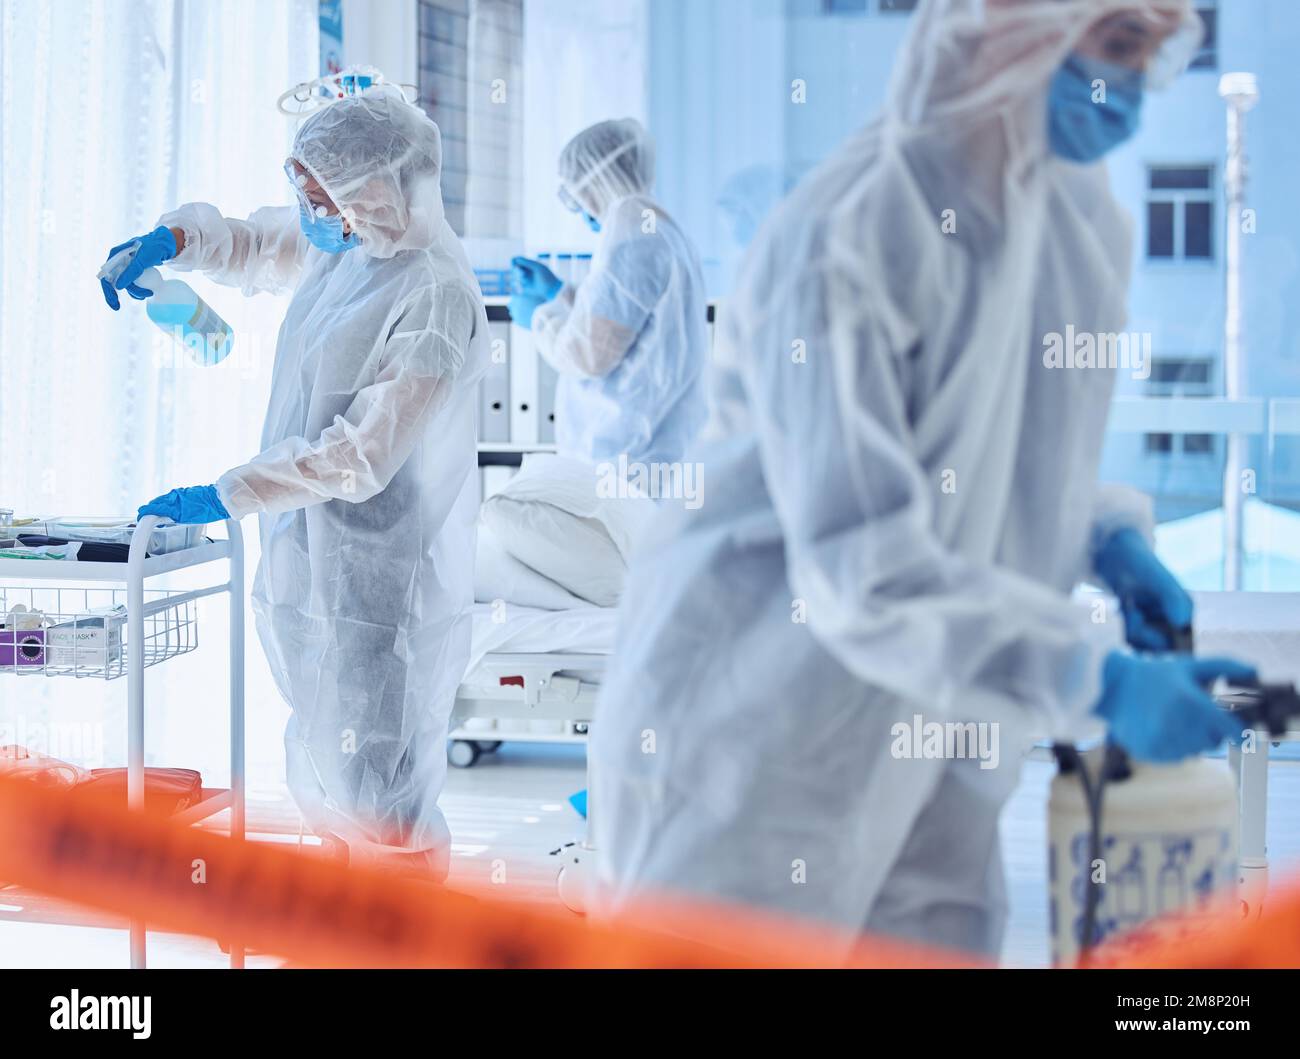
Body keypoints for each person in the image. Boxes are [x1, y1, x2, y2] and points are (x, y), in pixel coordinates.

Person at [590, 0, 1252, 956]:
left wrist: (1104, 536)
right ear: (1009, 25)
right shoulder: (846, 235)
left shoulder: (1077, 219)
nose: (1138, 85)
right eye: (1115, 43)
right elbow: (863, 562)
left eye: (1155, 51)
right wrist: (1090, 677)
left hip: (940, 737)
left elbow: (1010, 452)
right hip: (750, 737)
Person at [104, 87, 489, 879]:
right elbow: (250, 246)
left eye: (324, 197)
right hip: (316, 544)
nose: (310, 212)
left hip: (381, 562)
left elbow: (361, 455)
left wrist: (232, 491)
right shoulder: (346, 247)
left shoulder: (435, 295)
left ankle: (405, 938)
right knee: (328, 754)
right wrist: (172, 241)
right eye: (306, 194)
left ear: (380, 189)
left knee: (376, 778)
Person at [509, 119, 708, 469]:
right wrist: (560, 293)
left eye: (574, 191)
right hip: (656, 443)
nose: (578, 206)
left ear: (593, 180)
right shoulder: (660, 226)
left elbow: (588, 354)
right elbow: (626, 316)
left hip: (625, 452)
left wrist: (542, 318)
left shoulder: (631, 231)